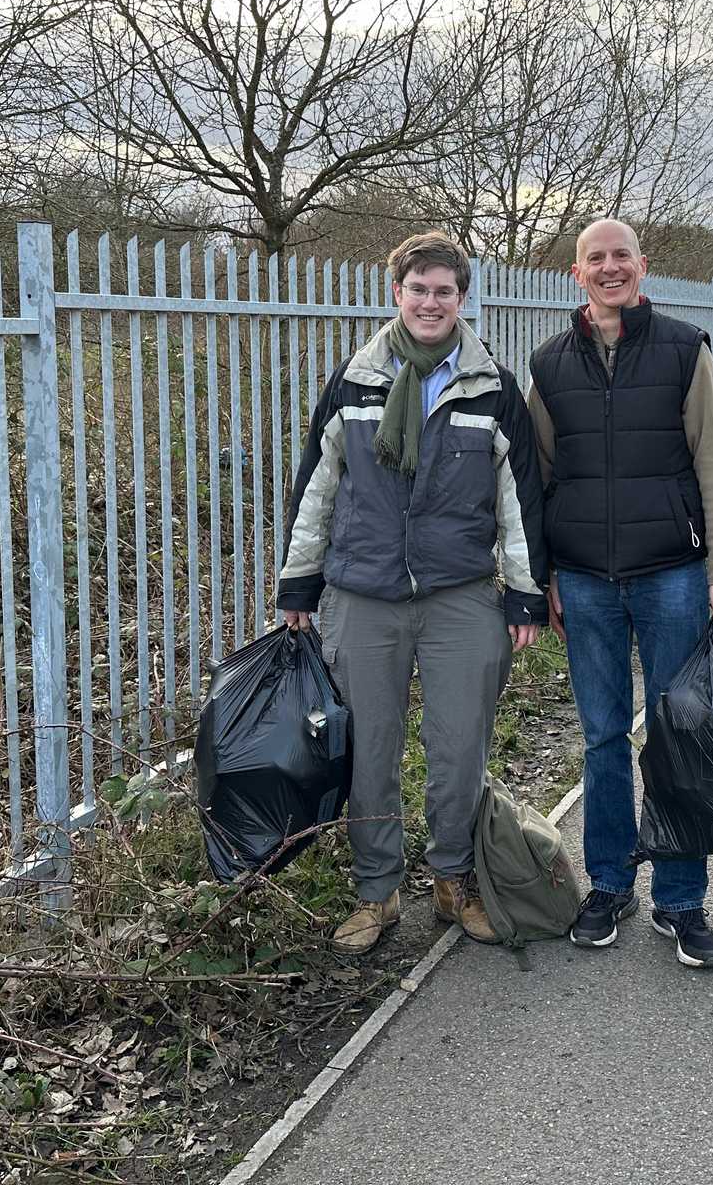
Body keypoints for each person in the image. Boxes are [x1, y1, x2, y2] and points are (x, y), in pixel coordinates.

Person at [278, 233, 548, 955]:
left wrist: (525, 593)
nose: (431, 303)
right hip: (362, 594)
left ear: (463, 299)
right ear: (395, 292)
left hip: (460, 595)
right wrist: (297, 582)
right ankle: (378, 891)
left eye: (445, 291)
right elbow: (318, 490)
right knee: (369, 751)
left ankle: (454, 882)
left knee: (459, 746)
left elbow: (518, 499)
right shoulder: (354, 382)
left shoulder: (492, 386)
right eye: (418, 289)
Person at [526, 217, 713, 969]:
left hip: (673, 578)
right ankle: (610, 884)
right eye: (596, 259)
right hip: (584, 580)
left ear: (641, 267)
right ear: (576, 274)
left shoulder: (684, 350)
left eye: (621, 256)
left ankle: (681, 901)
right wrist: (545, 573)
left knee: (676, 734)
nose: (610, 267)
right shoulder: (548, 366)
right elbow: (539, 480)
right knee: (602, 736)